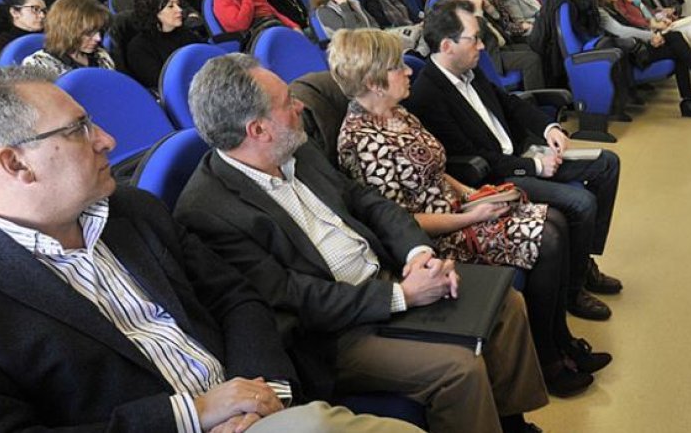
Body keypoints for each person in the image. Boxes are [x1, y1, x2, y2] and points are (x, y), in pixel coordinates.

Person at [0, 68, 417, 433]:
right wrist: (191, 415)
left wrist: (263, 394)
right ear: (16, 163)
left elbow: (236, 297)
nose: (107, 141)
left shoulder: (132, 210)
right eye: (78, 130)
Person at [175, 54, 548, 433]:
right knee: (459, 369)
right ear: (257, 130)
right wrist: (402, 296)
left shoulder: (296, 149)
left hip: (386, 277)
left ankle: (512, 423)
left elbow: (365, 200)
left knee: (507, 303)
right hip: (334, 333)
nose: (301, 105)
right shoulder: (208, 211)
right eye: (288, 102)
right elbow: (290, 296)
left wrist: (418, 253)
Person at [329, 29, 609, 397]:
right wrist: (472, 217)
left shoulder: (398, 114)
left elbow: (436, 167)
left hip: (458, 208)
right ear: (373, 82)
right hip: (436, 238)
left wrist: (473, 194)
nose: (409, 71)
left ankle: (561, 341)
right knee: (549, 236)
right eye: (398, 67)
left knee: (554, 218)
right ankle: (548, 358)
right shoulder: (360, 141)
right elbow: (397, 221)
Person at [406, 0, 624, 321]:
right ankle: (574, 291)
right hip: (495, 179)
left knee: (608, 162)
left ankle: (583, 261)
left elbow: (510, 103)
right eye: (474, 39)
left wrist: (548, 127)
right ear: (447, 45)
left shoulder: (470, 69)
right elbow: (478, 163)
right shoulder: (429, 95)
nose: (482, 45)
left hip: (520, 155)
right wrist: (535, 166)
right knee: (581, 202)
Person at [456, 0, 544, 89]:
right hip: (492, 52)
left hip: (503, 44)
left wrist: (491, 9)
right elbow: (481, 32)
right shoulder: (477, 0)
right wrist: (480, 8)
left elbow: (503, 22)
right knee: (532, 58)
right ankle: (536, 101)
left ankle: (547, 93)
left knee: (535, 47)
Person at [124, 0, 204, 90]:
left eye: (178, 4)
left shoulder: (187, 34)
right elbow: (161, 82)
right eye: (171, 6)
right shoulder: (140, 47)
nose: (179, 10)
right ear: (153, 11)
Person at [22, 0, 115, 76]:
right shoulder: (38, 65)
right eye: (89, 33)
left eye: (100, 31)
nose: (98, 38)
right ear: (66, 30)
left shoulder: (102, 56)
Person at [0, 0, 45, 66]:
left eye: (44, 11)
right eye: (35, 9)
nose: (42, 15)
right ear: (15, 12)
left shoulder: (49, 35)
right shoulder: (0, 45)